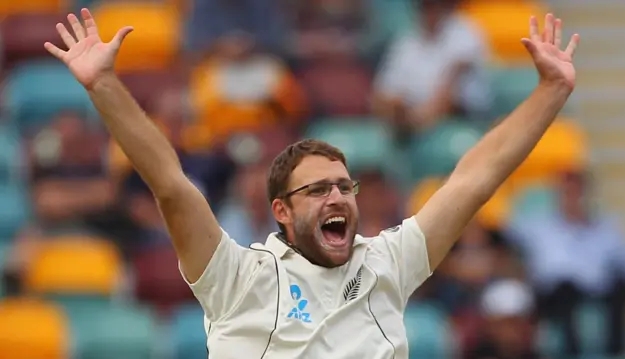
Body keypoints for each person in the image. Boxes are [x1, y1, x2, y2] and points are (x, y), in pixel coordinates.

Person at [45, 9, 579, 359]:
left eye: (345, 187)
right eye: (318, 190)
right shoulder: (235, 277)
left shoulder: (388, 263)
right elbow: (170, 184)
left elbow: (474, 180)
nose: (338, 197)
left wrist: (551, 92)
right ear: (280, 210)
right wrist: (105, 85)